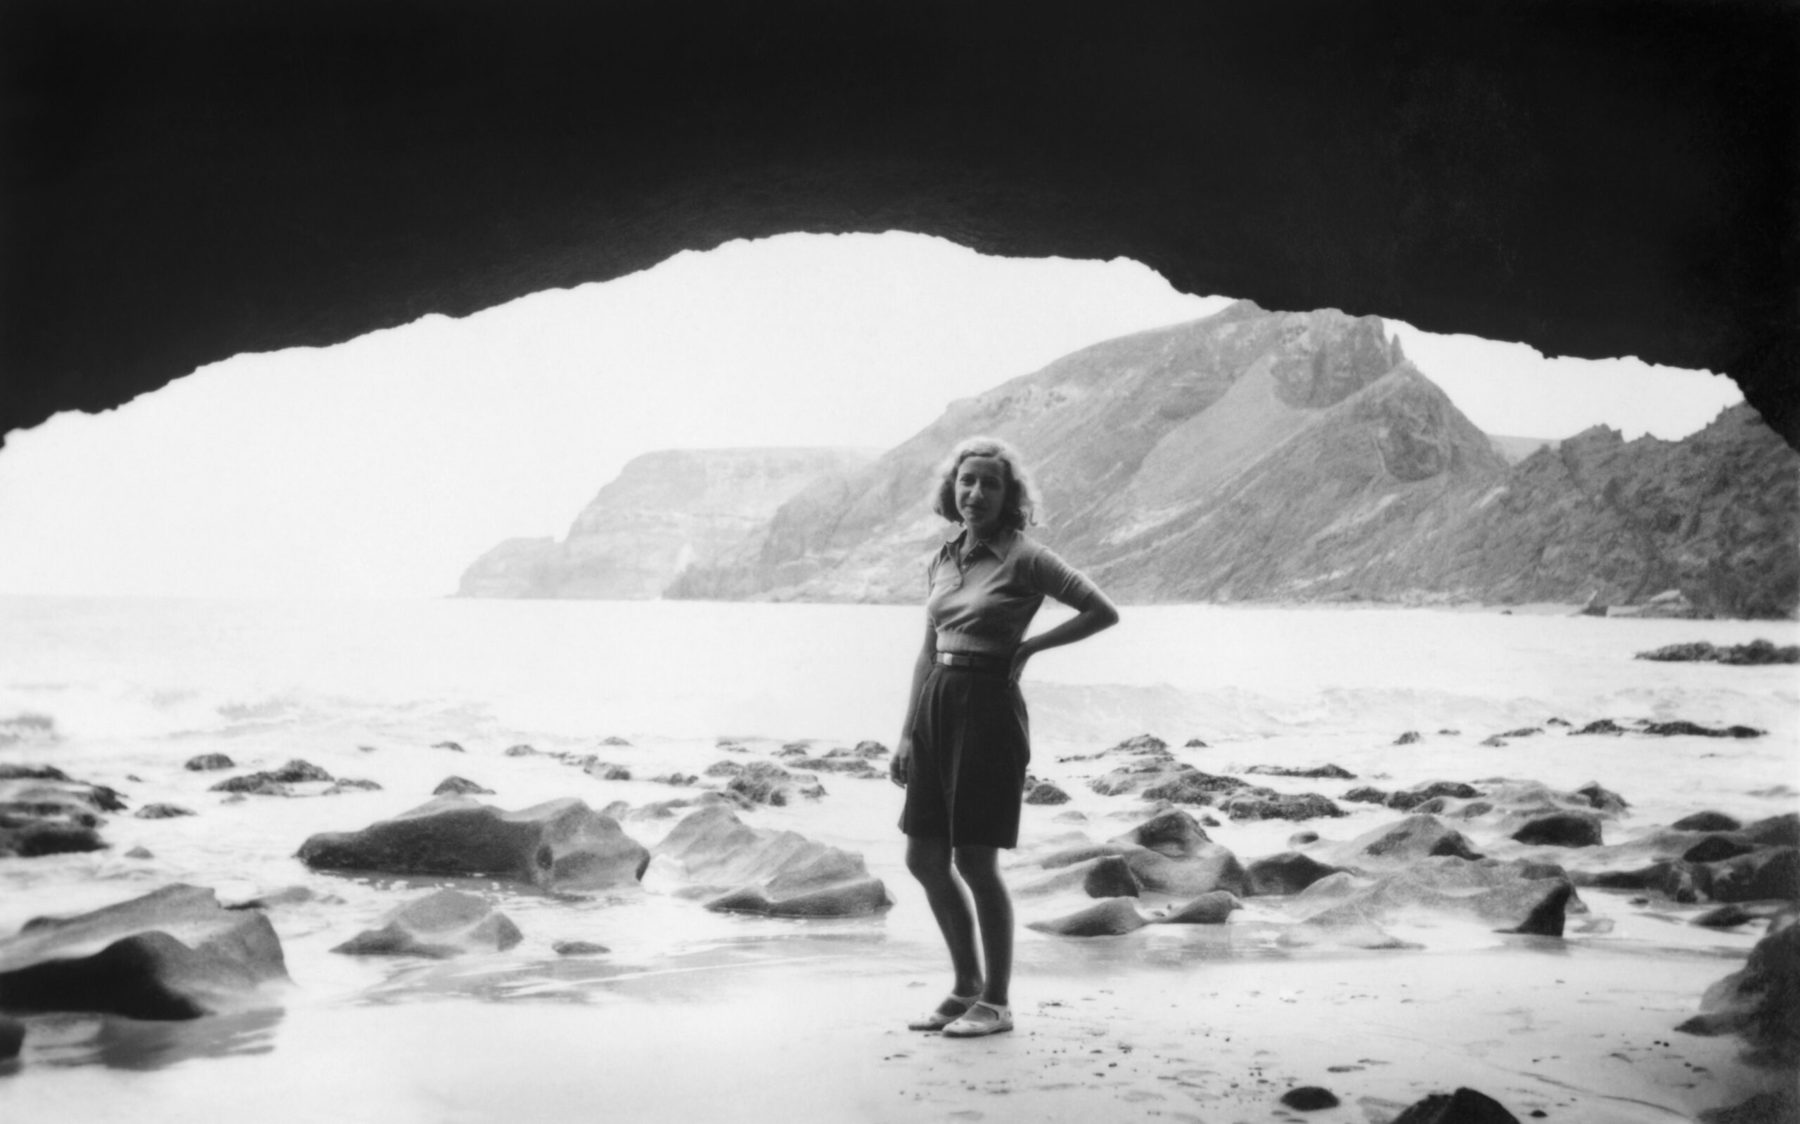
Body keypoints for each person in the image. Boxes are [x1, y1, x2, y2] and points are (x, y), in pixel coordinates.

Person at [888, 435, 1120, 1038]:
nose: (976, 492)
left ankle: (996, 1001)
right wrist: (908, 735)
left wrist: (1031, 646)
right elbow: (924, 651)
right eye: (967, 481)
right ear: (952, 488)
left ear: (1009, 495)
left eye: (991, 483)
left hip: (989, 707)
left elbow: (1101, 610)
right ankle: (965, 986)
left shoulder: (1025, 556)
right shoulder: (942, 558)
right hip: (938, 700)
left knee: (976, 860)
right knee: (923, 856)